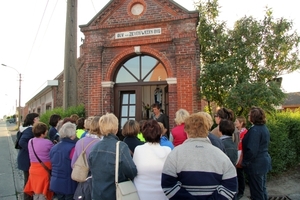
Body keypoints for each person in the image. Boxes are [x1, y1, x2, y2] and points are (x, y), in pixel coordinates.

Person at [161, 113, 237, 199]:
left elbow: (168, 184)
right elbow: (231, 184)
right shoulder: (220, 155)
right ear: (207, 130)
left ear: (186, 132)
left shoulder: (175, 154)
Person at [88, 113, 137, 200]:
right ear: (116, 128)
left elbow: (92, 169)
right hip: (115, 194)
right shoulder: (121, 147)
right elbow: (132, 171)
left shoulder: (94, 147)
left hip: (97, 194)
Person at [133, 119, 171, 200]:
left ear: (143, 135)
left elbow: (134, 171)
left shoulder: (138, 150)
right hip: (163, 196)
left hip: (141, 195)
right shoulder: (167, 150)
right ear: (161, 134)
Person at [242, 107, 272, 200]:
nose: (248, 116)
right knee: (262, 189)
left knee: (257, 192)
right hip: (263, 162)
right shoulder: (263, 128)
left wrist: (245, 162)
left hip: (256, 165)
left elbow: (252, 150)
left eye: (249, 115)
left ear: (253, 117)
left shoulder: (255, 130)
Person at [72, 116, 101, 200]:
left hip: (82, 180)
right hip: (95, 182)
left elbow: (73, 164)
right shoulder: (100, 143)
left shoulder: (79, 141)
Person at [24, 122, 54, 200]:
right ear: (43, 133)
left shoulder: (30, 141)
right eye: (46, 130)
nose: (47, 131)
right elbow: (53, 153)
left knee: (36, 191)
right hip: (44, 170)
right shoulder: (48, 142)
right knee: (43, 193)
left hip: (33, 169)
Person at [50, 122, 78, 200]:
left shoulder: (54, 147)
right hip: (69, 184)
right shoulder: (73, 148)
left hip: (56, 182)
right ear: (72, 136)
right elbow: (75, 165)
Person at [17, 112, 40, 200]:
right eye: (38, 118)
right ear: (34, 120)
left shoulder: (24, 129)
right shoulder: (30, 130)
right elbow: (22, 142)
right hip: (26, 159)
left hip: (24, 158)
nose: (39, 120)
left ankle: (28, 197)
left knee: (27, 180)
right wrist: (32, 150)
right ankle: (27, 198)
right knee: (28, 181)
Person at [235, 116, 248, 199]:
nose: (235, 122)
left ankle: (241, 191)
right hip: (236, 153)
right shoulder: (236, 131)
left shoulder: (245, 132)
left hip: (241, 154)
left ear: (241, 123)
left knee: (240, 173)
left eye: (237, 121)